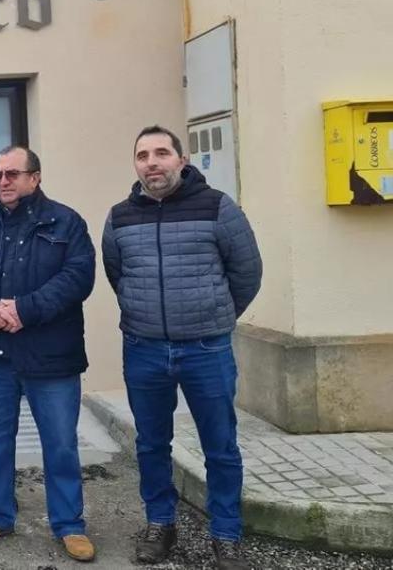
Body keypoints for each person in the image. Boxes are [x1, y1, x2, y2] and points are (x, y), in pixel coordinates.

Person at [102, 126, 261, 570]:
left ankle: (226, 534)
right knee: (151, 444)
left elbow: (247, 273)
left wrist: (214, 315)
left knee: (220, 446)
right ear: (136, 164)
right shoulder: (119, 217)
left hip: (206, 349)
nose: (152, 162)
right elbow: (118, 275)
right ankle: (160, 524)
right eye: (142, 155)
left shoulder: (218, 207)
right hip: (144, 348)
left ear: (181, 159)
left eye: (161, 153)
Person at [0, 145, 97, 562]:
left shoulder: (66, 222)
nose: (3, 182)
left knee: (60, 443)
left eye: (12, 174)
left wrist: (23, 310)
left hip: (50, 357)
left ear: (35, 177)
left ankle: (69, 524)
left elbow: (78, 277)